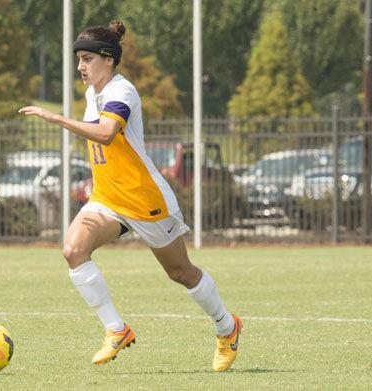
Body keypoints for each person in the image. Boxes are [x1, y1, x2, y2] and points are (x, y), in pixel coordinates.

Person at [18, 21, 242, 372]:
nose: (80, 66)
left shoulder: (123, 91)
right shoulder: (94, 93)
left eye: (87, 58)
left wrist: (55, 118)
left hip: (145, 201)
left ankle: (227, 327)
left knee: (181, 272)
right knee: (73, 250)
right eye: (78, 59)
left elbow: (106, 134)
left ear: (109, 60)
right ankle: (116, 329)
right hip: (108, 199)